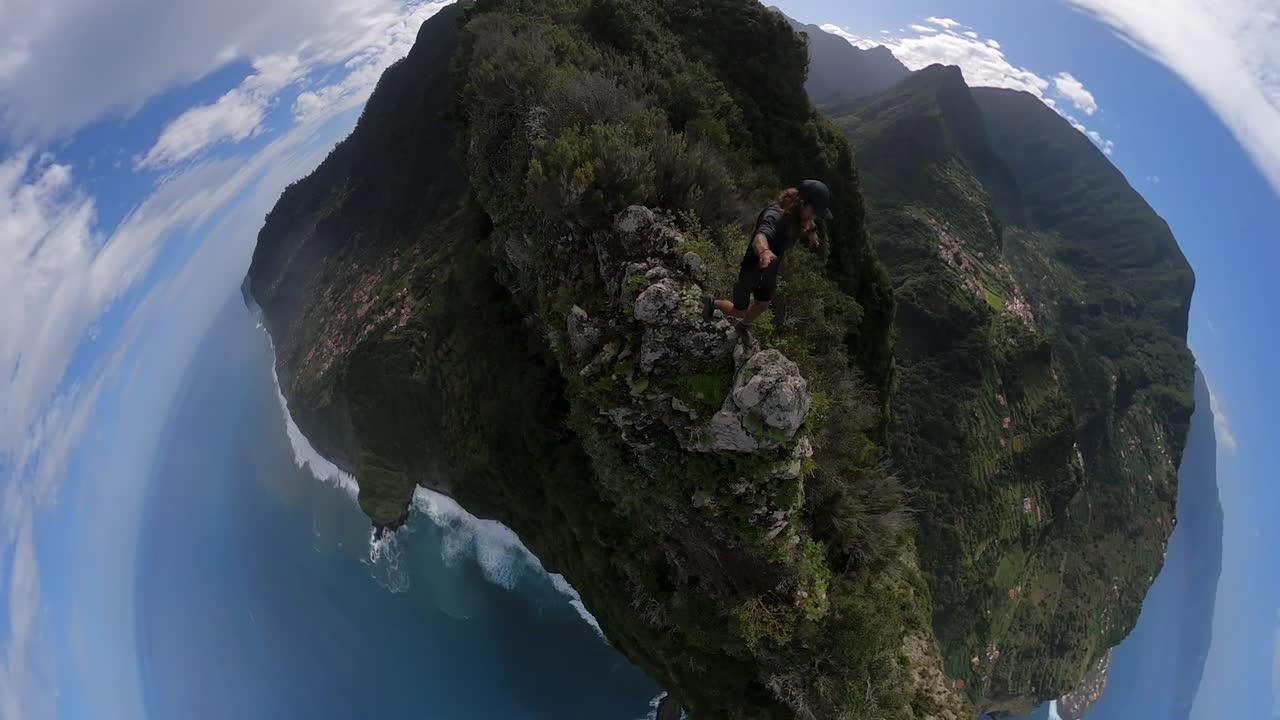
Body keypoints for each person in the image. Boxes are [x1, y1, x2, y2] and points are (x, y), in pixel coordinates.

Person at [706, 179, 833, 330]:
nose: (814, 216)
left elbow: (809, 222)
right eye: (814, 212)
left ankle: (742, 326)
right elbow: (761, 235)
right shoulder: (775, 216)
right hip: (752, 269)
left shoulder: (798, 215)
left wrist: (812, 233)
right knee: (739, 310)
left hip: (769, 271)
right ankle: (712, 303)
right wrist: (764, 252)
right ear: (802, 203)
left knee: (762, 305)